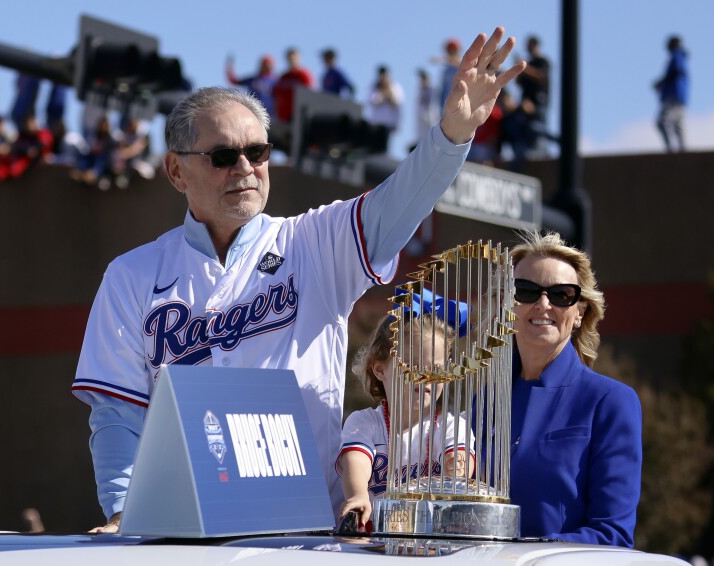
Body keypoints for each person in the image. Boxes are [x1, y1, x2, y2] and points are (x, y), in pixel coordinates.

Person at [71, 27, 526, 533]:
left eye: (258, 152)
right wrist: (121, 511)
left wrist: (451, 137)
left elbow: (397, 207)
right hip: (184, 530)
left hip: (303, 531)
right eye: (223, 156)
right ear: (177, 172)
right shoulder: (132, 274)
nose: (244, 168)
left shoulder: (313, 241)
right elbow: (117, 414)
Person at [475, 231, 642, 547]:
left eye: (561, 294)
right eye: (525, 291)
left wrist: (518, 555)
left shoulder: (611, 403)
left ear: (580, 312)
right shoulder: (481, 401)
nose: (542, 304)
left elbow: (612, 535)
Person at [338, 295, 474, 527]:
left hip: (433, 542)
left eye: (436, 369)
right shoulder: (365, 423)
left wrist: (459, 466)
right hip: (372, 542)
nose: (425, 378)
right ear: (380, 369)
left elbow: (460, 466)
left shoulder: (452, 426)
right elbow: (356, 460)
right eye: (412, 367)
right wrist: (358, 495)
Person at [514, 35, 551, 161]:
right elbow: (518, 83)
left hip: (538, 104)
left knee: (538, 132)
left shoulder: (543, 61)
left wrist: (524, 67)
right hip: (526, 106)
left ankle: (543, 156)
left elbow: (541, 76)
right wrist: (518, 69)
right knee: (526, 134)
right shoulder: (528, 64)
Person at [653, 35, 689, 152]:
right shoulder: (680, 56)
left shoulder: (677, 55)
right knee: (678, 125)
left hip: (673, 95)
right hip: (679, 96)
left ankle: (670, 149)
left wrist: (663, 81)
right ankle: (682, 149)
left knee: (662, 122)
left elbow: (677, 71)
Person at [366, 65, 404, 150]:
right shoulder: (374, 87)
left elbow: (398, 102)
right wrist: (383, 94)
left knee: (385, 148)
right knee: (375, 147)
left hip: (389, 124)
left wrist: (389, 93)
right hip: (376, 123)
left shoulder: (395, 87)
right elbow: (372, 101)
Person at [272, 47, 314, 123]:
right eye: (289, 58)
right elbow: (278, 95)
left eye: (294, 58)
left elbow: (309, 93)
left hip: (300, 113)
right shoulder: (284, 77)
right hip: (284, 115)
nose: (292, 60)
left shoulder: (303, 75)